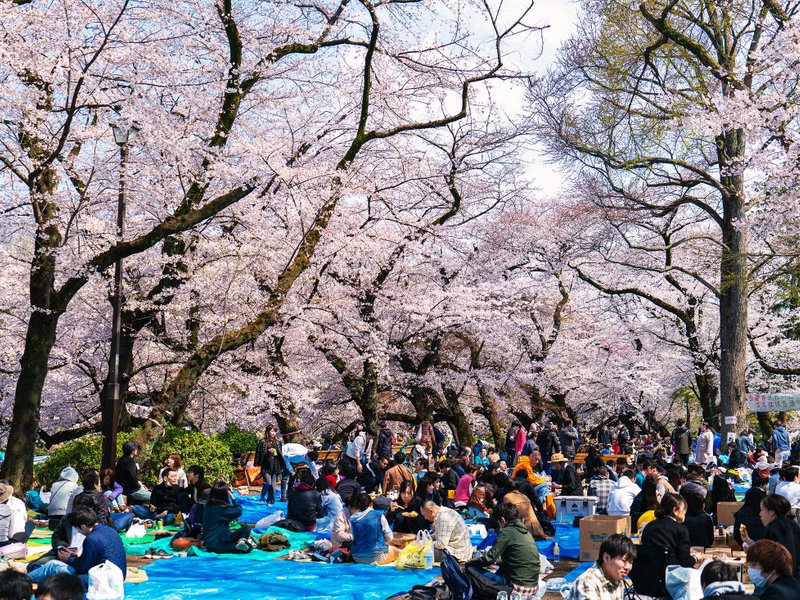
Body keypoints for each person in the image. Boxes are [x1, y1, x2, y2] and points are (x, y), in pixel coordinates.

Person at [28, 506, 126, 589]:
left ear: (83, 526)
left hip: (99, 581)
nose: (77, 531)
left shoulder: (91, 539)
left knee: (52, 565)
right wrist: (77, 557)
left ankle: (23, 580)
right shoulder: (110, 530)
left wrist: (68, 558)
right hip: (119, 577)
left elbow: (82, 568)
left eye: (76, 528)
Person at [466, 502, 540, 595]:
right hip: (533, 586)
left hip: (516, 587)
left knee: (471, 569)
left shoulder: (507, 532)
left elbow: (489, 558)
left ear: (502, 520)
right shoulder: (525, 531)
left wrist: (470, 562)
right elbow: (516, 559)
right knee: (499, 569)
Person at [567, 534, 637, 600]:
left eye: (630, 562)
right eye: (624, 560)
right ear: (606, 558)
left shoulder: (617, 578)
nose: (627, 567)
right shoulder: (588, 582)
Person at [745, 493, 800, 577]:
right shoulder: (793, 524)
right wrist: (749, 541)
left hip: (779, 578)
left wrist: (751, 552)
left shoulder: (772, 529)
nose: (760, 514)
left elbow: (765, 558)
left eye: (761, 509)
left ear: (771, 512)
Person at [640, 493, 697, 568]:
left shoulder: (649, 526)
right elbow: (685, 561)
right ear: (675, 510)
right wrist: (696, 557)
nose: (685, 513)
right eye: (684, 510)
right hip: (671, 574)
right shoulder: (681, 530)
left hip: (650, 572)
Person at [202, 482, 253, 553]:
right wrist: (233, 498)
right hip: (216, 545)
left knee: (246, 527)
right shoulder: (221, 508)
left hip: (220, 539)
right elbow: (239, 511)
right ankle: (242, 542)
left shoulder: (209, 504)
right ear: (224, 495)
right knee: (249, 548)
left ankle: (242, 541)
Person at [349, 492, 398, 565]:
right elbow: (389, 537)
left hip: (357, 558)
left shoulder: (353, 518)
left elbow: (353, 537)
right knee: (395, 551)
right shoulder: (378, 515)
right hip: (377, 557)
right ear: (371, 504)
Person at [0, 481, 31, 558]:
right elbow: (13, 529)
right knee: (29, 525)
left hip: (6, 539)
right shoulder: (10, 507)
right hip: (6, 542)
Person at [255, 425, 283, 505]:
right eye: (271, 431)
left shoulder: (277, 442)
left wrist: (276, 453)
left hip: (275, 464)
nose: (273, 433)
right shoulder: (263, 442)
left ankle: (271, 501)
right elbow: (259, 453)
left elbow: (280, 454)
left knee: (273, 485)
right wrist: (268, 451)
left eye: (274, 431)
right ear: (268, 432)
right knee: (268, 482)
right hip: (266, 465)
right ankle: (262, 496)